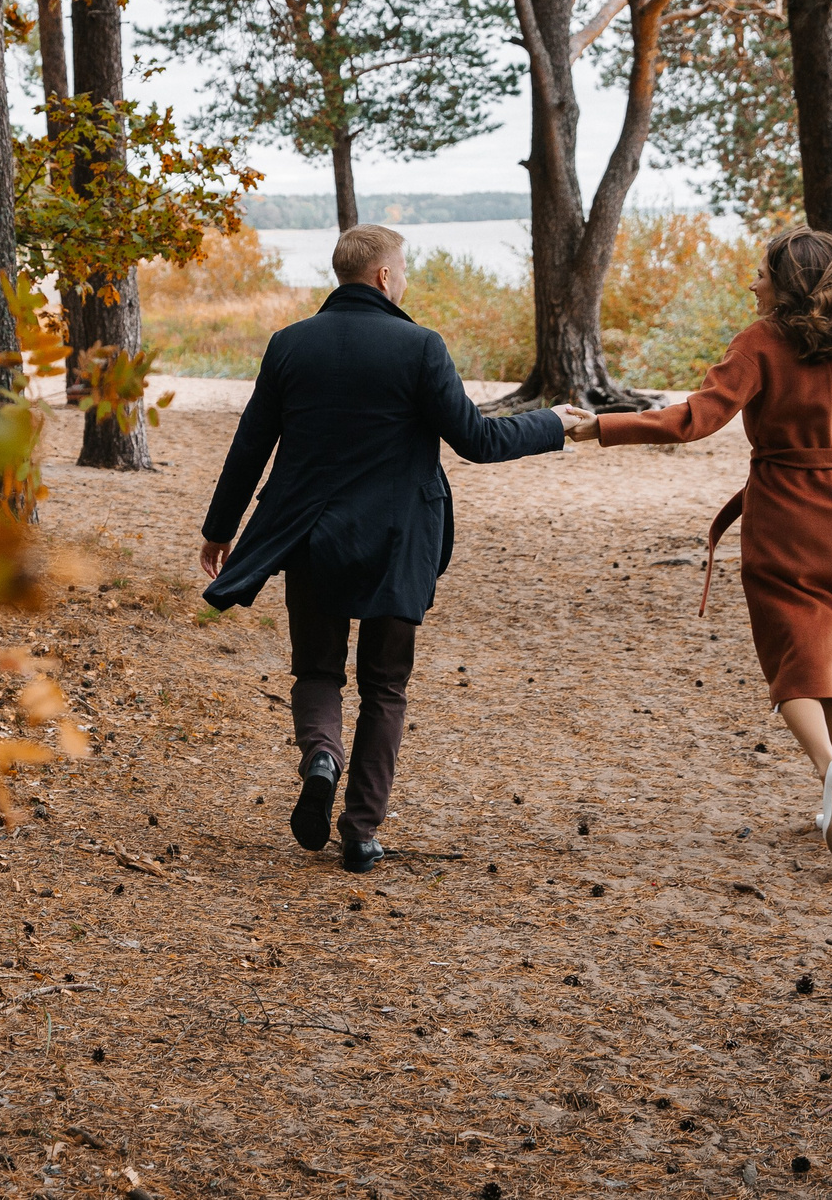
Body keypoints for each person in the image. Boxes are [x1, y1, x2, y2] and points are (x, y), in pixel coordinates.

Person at [564, 226, 832, 859]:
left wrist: (599, 428)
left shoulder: (760, 344)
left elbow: (693, 421)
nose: (754, 282)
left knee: (792, 656)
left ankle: (831, 769)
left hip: (782, 509)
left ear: (790, 284)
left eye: (763, 273)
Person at [198, 224, 583, 872]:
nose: (404, 279)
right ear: (382, 275)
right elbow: (476, 441)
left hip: (312, 538)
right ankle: (360, 829)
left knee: (318, 671)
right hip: (398, 542)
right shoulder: (419, 346)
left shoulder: (290, 344)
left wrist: (220, 526)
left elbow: (251, 443)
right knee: (385, 686)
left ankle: (322, 755)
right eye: (401, 268)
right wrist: (554, 424)